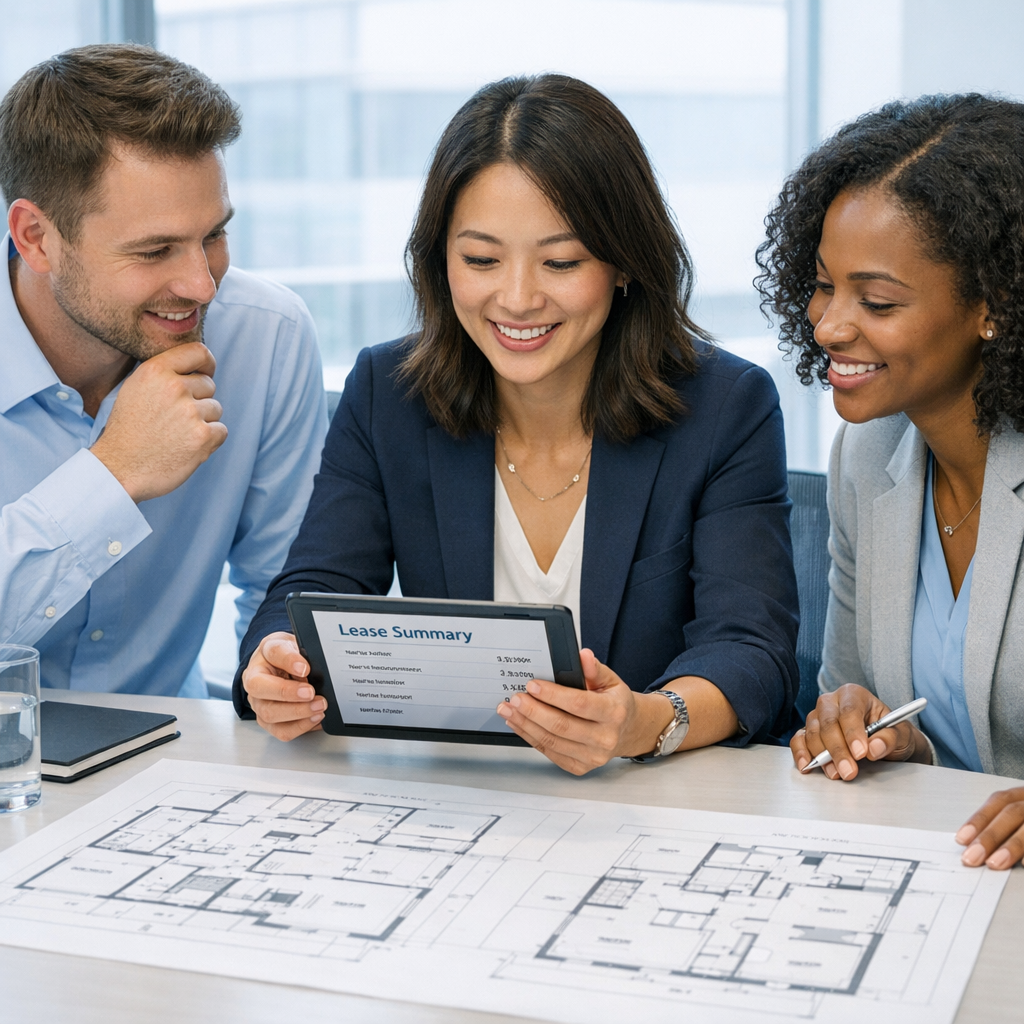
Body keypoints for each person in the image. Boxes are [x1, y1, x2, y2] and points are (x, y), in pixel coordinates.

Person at [235, 74, 800, 774]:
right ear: (440, 261)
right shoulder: (390, 393)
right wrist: (274, 666)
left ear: (623, 261)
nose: (518, 298)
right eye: (480, 259)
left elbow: (751, 653)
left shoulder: (725, 406)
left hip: (653, 805)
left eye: (560, 261)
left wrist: (644, 722)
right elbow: (311, 590)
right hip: (462, 803)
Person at [0, 45, 327, 697]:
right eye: (155, 250)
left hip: (175, 759)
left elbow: (291, 595)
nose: (202, 285)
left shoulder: (268, 336)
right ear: (35, 237)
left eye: (213, 235)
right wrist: (113, 475)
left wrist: (281, 673)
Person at [757, 94, 1024, 868]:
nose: (830, 326)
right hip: (949, 874)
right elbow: (852, 695)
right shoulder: (867, 456)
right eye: (821, 285)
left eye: (876, 301)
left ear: (996, 306)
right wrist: (874, 733)